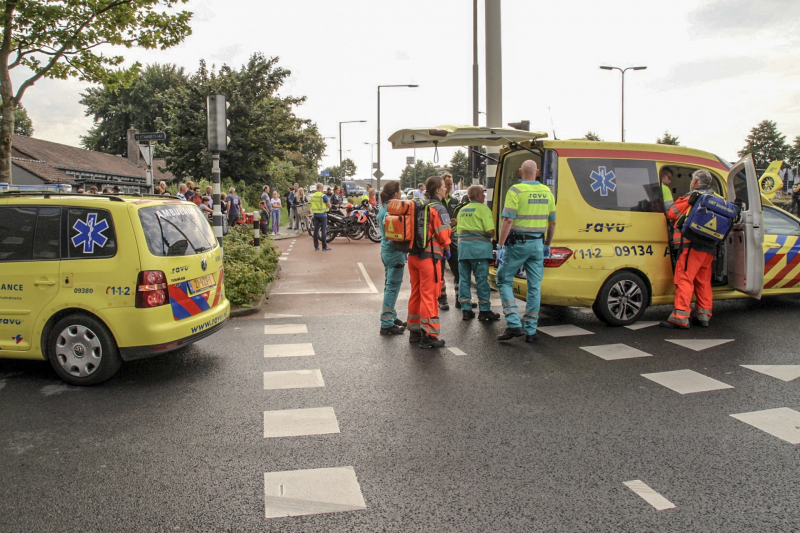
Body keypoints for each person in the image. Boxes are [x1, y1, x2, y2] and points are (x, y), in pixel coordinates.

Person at [495, 160, 556, 343]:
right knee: (534, 287)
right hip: (538, 245)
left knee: (503, 279)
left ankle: (514, 323)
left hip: (518, 245)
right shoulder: (547, 192)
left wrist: (500, 245)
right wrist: (547, 243)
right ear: (537, 172)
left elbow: (508, 221)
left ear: (520, 171)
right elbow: (552, 222)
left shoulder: (515, 191)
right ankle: (531, 330)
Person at [660, 169, 718, 329]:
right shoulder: (715, 198)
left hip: (691, 246)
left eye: (692, 179)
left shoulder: (692, 197)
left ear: (695, 182)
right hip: (709, 247)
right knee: (703, 282)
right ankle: (704, 316)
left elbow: (671, 213)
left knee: (684, 279)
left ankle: (680, 316)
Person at [407, 175, 452, 349]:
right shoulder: (439, 209)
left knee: (416, 293)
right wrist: (447, 248)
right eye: (443, 186)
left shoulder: (422, 206)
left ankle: (414, 331)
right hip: (429, 257)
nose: (446, 189)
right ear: (438, 189)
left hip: (414, 256)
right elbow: (443, 235)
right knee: (429, 295)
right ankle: (430, 335)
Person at [457, 185, 501, 322]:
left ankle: (466, 310)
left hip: (463, 250)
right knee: (481, 280)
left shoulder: (462, 210)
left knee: (464, 279)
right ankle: (484, 311)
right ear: (477, 195)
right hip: (479, 251)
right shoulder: (483, 209)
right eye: (482, 194)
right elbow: (490, 231)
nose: (483, 196)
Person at [377, 181, 408, 335]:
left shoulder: (383, 208)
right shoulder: (393, 209)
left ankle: (392, 315)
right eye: (400, 191)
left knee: (389, 285)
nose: (401, 193)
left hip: (385, 251)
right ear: (395, 193)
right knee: (392, 287)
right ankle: (387, 323)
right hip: (395, 252)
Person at [437, 173, 460, 311]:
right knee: (439, 272)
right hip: (440, 241)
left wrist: (456, 222)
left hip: (453, 239)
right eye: (447, 184)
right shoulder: (436, 202)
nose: (449, 187)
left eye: (451, 184)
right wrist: (447, 225)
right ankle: (442, 299)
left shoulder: (454, 201)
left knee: (458, 270)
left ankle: (459, 298)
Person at [310, 183, 332, 251]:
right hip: (323, 215)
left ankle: (316, 246)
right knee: (323, 231)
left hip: (316, 215)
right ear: (320, 188)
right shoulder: (323, 196)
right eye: (322, 188)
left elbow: (311, 204)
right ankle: (324, 246)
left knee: (316, 231)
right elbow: (329, 206)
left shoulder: (313, 196)